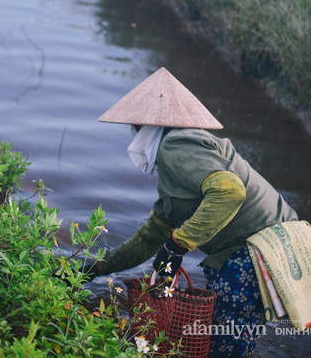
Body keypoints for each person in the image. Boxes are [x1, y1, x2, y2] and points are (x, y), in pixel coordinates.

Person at [86, 67, 298, 357]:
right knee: (227, 342)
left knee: (220, 348)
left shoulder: (175, 145)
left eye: (133, 125)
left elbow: (230, 191)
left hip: (255, 253)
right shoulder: (177, 162)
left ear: (143, 125)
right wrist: (96, 268)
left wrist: (177, 245)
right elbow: (151, 236)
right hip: (273, 250)